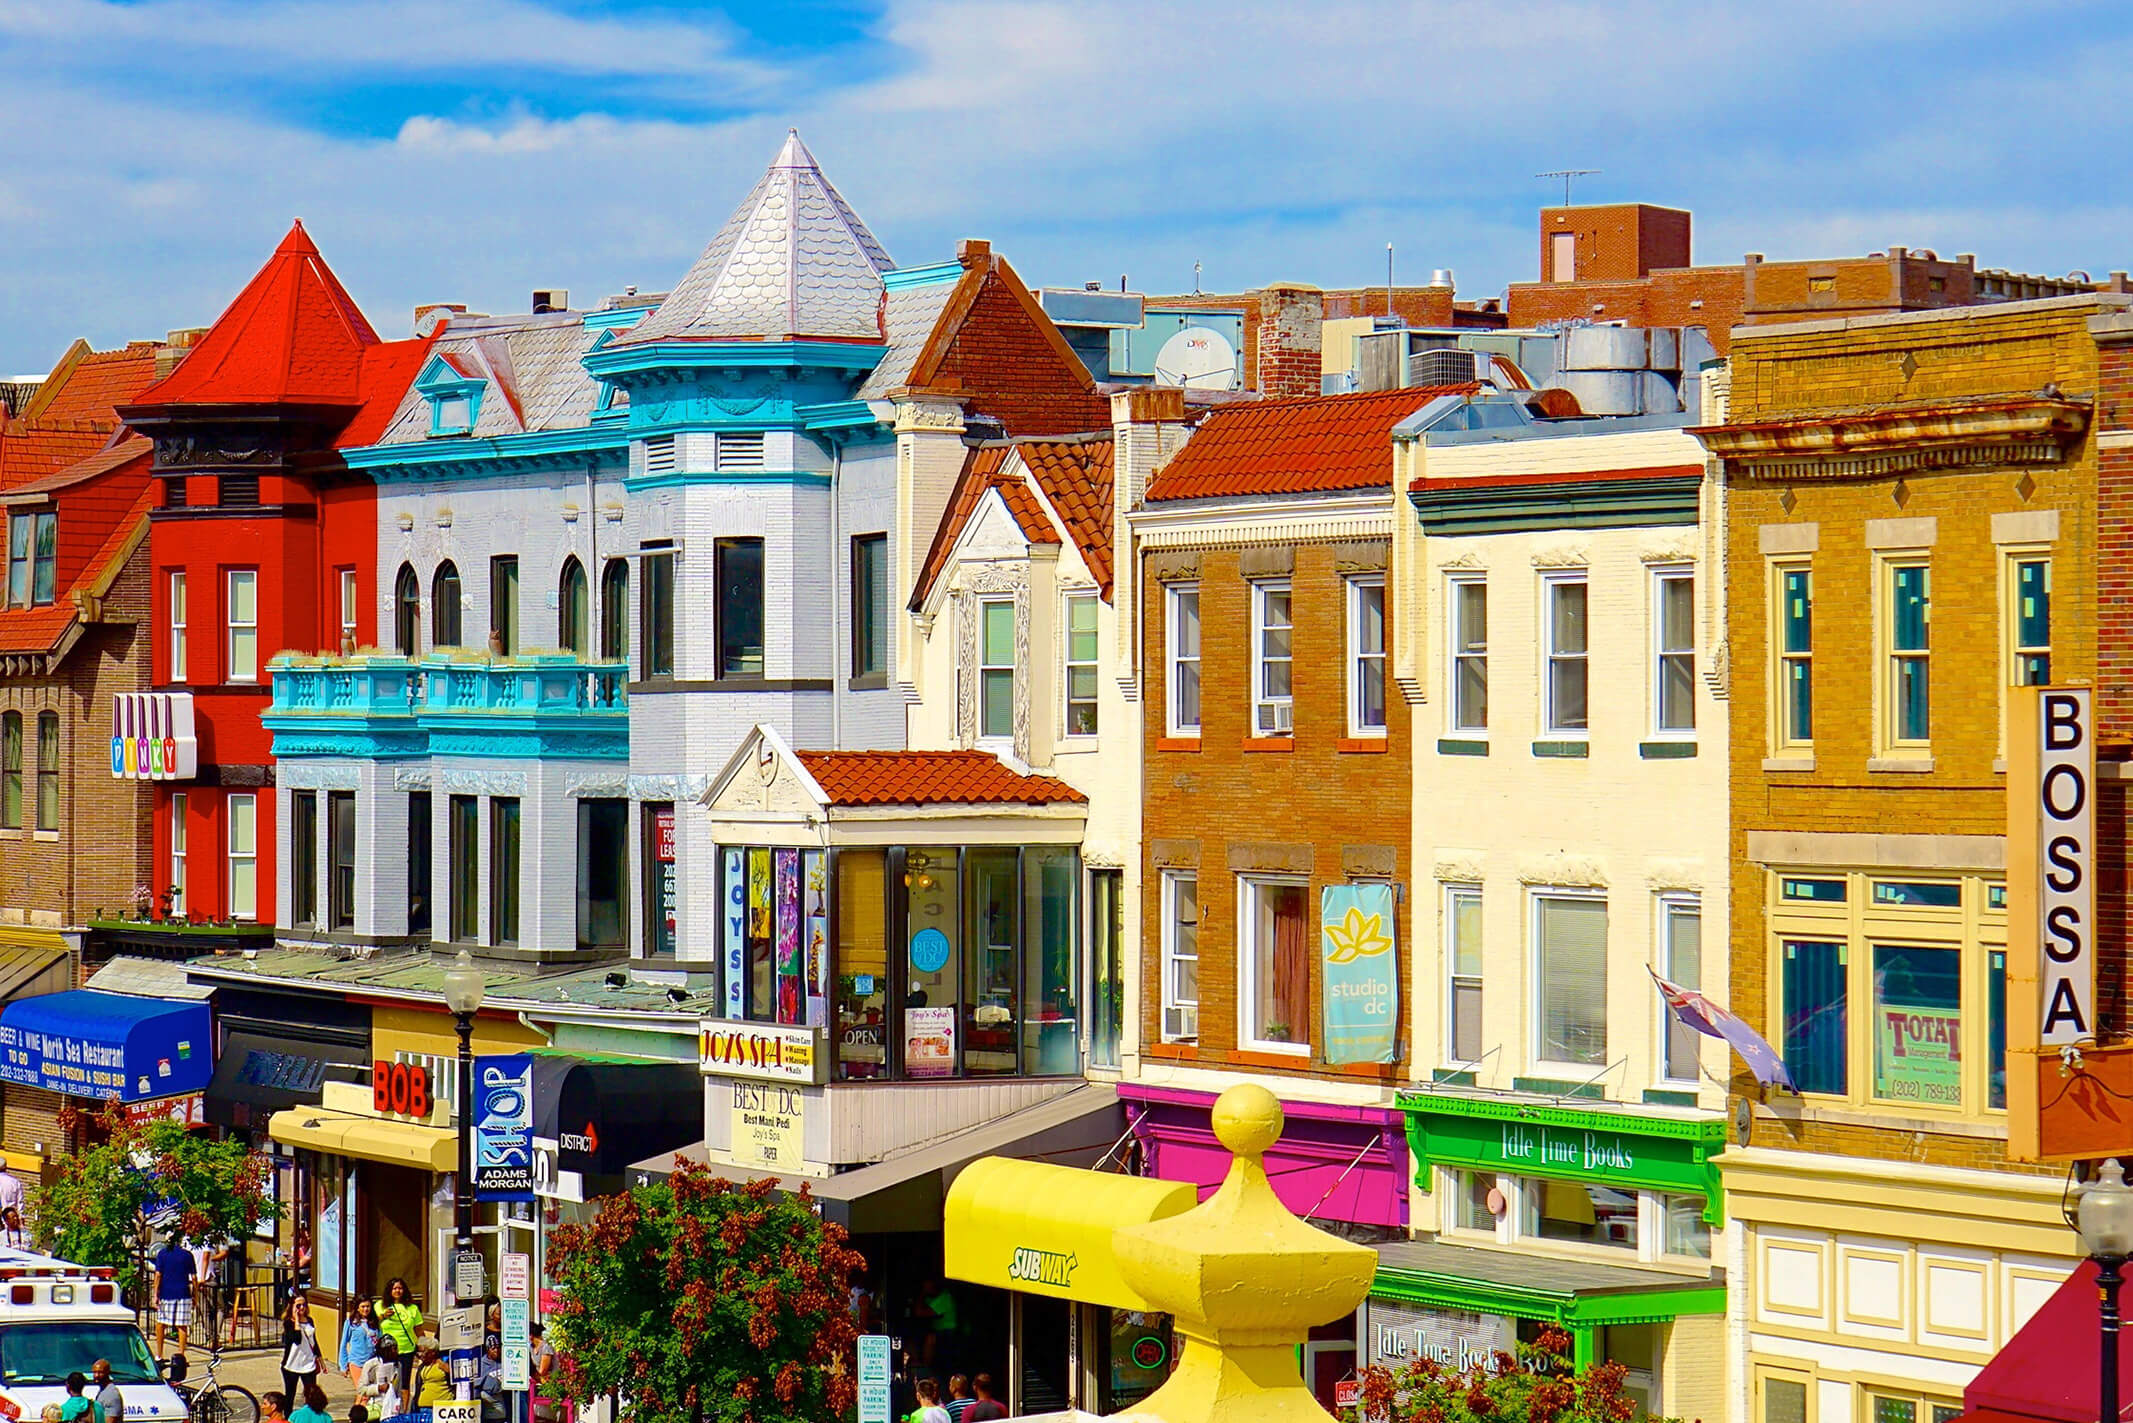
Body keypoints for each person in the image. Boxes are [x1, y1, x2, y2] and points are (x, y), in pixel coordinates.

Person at [152, 1238, 197, 1360]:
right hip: (183, 1292)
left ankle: (159, 1354)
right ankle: (181, 1354)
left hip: (166, 1293)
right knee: (182, 1325)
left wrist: (155, 1293)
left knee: (161, 1323)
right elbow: (193, 1277)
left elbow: (158, 1275)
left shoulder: (162, 1254)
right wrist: (195, 1295)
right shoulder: (187, 1255)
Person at [375, 1279, 421, 1394]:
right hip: (387, 1351)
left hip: (406, 1350)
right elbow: (371, 1323)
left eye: (400, 1288)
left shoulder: (412, 1308)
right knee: (387, 1382)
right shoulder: (379, 1306)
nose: (397, 1291)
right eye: (394, 1288)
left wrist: (422, 1346)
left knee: (404, 1383)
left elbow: (419, 1330)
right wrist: (383, 1316)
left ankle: (404, 1409)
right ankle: (387, 1406)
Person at [280, 1296, 321, 1406]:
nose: (302, 1308)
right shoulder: (288, 1323)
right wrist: (297, 1320)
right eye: (298, 1305)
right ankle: (288, 1418)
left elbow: (313, 1341)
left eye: (304, 1305)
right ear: (292, 1307)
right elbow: (297, 1339)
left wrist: (320, 1359)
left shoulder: (310, 1321)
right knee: (290, 1394)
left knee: (311, 1394)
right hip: (292, 1364)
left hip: (308, 1363)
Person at [354, 1339, 400, 1422]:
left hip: (392, 1409)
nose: (394, 1351)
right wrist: (378, 1388)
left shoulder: (398, 1365)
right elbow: (361, 1389)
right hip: (376, 1408)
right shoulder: (371, 1365)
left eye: (395, 1348)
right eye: (392, 1349)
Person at [340, 1298, 379, 1384]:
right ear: (358, 1308)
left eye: (368, 1306)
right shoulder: (350, 1323)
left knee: (368, 1393)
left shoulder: (375, 1322)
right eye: (363, 1306)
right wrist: (343, 1365)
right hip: (356, 1362)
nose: (366, 1309)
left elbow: (379, 1342)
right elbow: (343, 1344)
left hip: (372, 1362)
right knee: (362, 1391)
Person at [412, 1342, 452, 1410]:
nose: (420, 1355)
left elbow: (456, 1380)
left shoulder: (443, 1363)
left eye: (423, 1352)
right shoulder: (422, 1367)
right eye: (418, 1352)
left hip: (441, 1408)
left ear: (433, 1352)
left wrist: (449, 1371)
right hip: (423, 1408)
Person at [476, 1341, 506, 1423]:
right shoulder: (482, 1363)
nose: (496, 1350)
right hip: (486, 1396)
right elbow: (476, 1386)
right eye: (493, 1348)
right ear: (488, 1349)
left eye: (498, 1348)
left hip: (500, 1395)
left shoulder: (504, 1361)